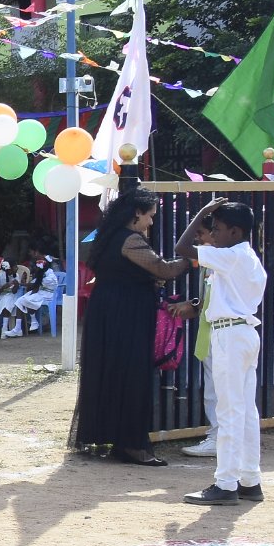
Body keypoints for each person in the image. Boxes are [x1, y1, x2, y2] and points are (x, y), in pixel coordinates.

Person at [69, 187, 215, 464]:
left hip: (110, 312)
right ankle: (133, 444)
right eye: (149, 216)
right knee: (132, 376)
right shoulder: (130, 240)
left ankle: (119, 440)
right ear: (137, 213)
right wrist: (194, 259)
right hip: (126, 314)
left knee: (112, 374)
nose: (150, 222)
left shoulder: (110, 237)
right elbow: (163, 269)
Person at [169, 200, 266, 504]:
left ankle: (226, 483)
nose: (213, 234)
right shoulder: (244, 256)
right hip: (242, 333)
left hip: (230, 336)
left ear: (235, 231)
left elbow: (181, 247)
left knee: (229, 411)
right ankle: (250, 480)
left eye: (218, 229)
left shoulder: (233, 255)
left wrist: (202, 212)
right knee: (245, 411)